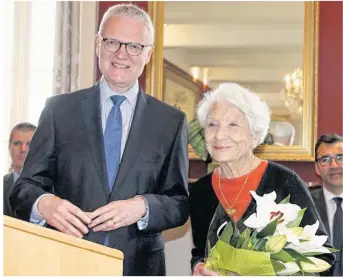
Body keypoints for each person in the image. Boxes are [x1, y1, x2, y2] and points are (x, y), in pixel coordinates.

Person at [9, 4, 189, 276]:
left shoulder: (170, 121)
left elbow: (179, 203)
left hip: (139, 267)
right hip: (65, 261)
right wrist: (44, 203)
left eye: (134, 46)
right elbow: (24, 187)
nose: (121, 54)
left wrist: (142, 207)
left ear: (148, 53)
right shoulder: (59, 110)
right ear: (97, 44)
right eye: (112, 41)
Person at [188, 82, 334, 276]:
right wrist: (198, 266)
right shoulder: (200, 191)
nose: (220, 135)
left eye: (233, 125)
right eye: (212, 125)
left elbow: (322, 257)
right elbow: (201, 252)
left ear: (255, 135)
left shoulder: (284, 182)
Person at [311, 134, 343, 276]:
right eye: (325, 160)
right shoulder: (304, 205)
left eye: (340, 158)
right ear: (317, 168)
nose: (334, 165)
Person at [3, 122, 36, 217]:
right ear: (9, 148)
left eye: (29, 144)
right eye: (17, 143)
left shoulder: (55, 189)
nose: (23, 149)